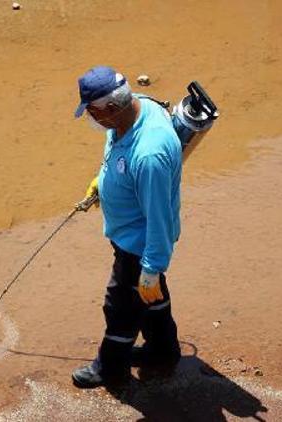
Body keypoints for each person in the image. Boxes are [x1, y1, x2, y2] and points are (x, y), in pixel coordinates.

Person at [71, 66, 183, 389]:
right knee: (149, 296)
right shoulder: (134, 110)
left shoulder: (149, 155)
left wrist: (151, 266)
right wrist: (101, 184)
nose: (92, 120)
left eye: (92, 113)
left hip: (140, 244)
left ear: (111, 108)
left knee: (119, 304)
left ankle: (109, 368)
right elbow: (118, 157)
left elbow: (159, 218)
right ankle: (164, 350)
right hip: (131, 236)